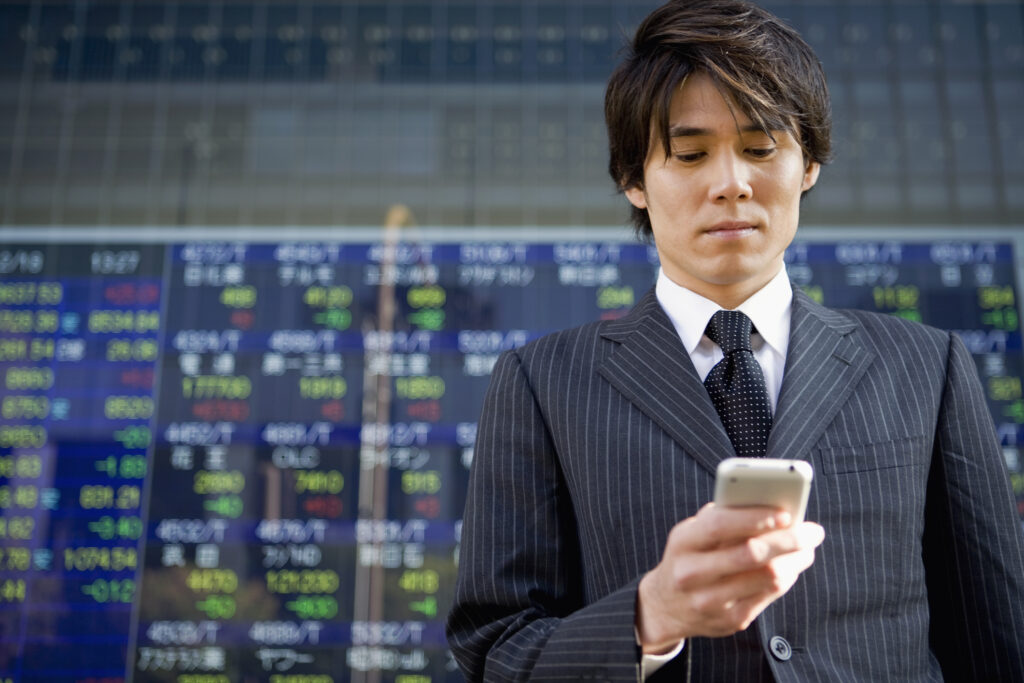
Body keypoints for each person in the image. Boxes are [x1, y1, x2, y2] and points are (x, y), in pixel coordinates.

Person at [445, 0, 1024, 680]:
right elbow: (494, 649)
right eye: (690, 154)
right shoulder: (541, 384)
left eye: (760, 149)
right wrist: (647, 617)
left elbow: (996, 641)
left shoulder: (928, 369)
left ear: (809, 164)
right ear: (633, 179)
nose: (731, 184)